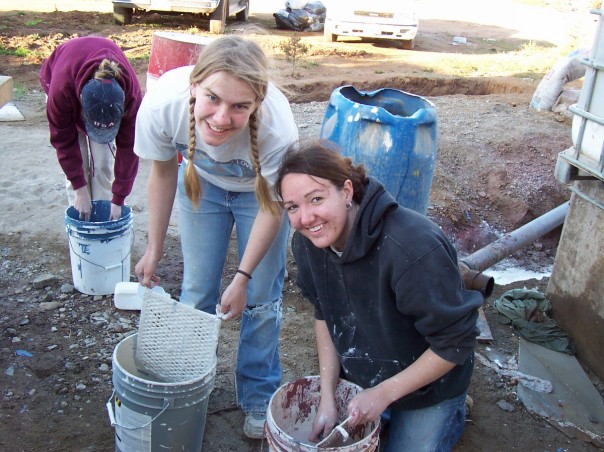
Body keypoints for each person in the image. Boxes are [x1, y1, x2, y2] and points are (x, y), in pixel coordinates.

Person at [133, 35, 299, 439]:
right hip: (201, 185)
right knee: (196, 290)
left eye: (240, 106)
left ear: (257, 103)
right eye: (212, 98)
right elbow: (163, 173)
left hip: (259, 198)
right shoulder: (162, 104)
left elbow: (273, 206)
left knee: (261, 297)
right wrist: (154, 248)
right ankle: (189, 390)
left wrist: (241, 277)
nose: (222, 117)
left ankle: (258, 397)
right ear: (195, 86)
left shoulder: (278, 129)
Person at [275, 140, 483, 451]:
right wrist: (327, 397)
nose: (305, 219)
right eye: (292, 207)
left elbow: (456, 342)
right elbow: (325, 314)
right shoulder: (308, 245)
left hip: (429, 386)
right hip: (367, 372)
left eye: (316, 199)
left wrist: (384, 393)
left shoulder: (412, 248)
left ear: (347, 191)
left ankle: (453, 413)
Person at [40, 36, 143, 221]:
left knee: (103, 163)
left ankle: (103, 218)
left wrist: (118, 199)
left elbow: (129, 149)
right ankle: (80, 217)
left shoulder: (132, 98)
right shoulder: (61, 91)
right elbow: (63, 142)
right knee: (78, 162)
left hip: (97, 98)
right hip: (64, 77)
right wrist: (80, 190)